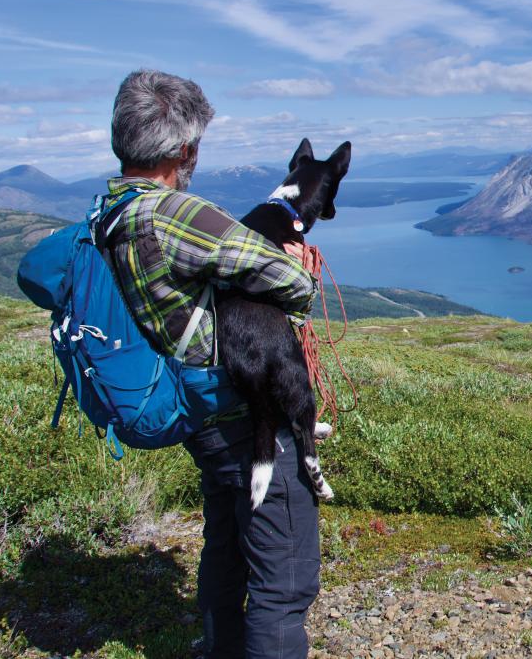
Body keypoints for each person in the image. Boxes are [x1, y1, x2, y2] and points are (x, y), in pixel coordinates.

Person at [103, 69, 322, 658]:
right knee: (284, 577)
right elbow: (289, 281)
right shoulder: (177, 214)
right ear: (184, 148)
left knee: (226, 545)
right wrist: (297, 270)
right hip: (238, 408)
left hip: (195, 409)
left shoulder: (111, 214)